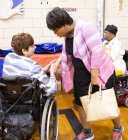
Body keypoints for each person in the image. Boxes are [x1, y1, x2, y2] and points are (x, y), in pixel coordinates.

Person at [46, 7, 123, 140]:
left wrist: (94, 77)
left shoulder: (86, 27)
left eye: (55, 30)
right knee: (81, 103)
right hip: (81, 75)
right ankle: (87, 132)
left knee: (108, 102)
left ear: (63, 24)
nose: (55, 33)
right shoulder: (67, 35)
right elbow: (69, 52)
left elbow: (97, 52)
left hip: (99, 71)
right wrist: (58, 61)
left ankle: (118, 128)